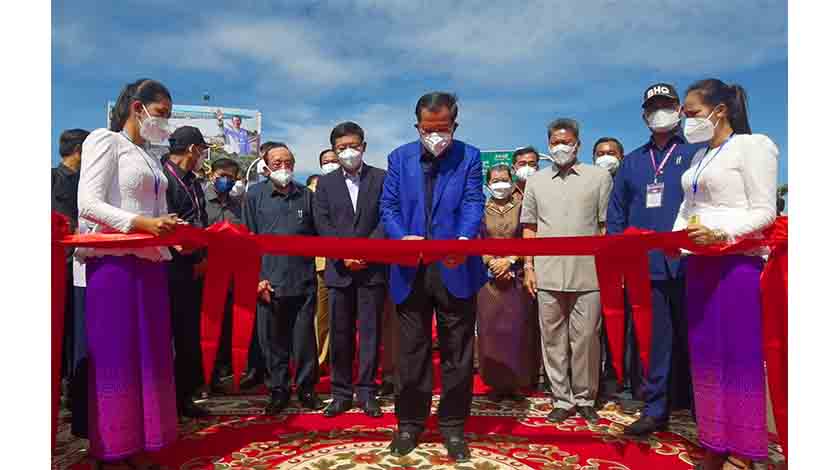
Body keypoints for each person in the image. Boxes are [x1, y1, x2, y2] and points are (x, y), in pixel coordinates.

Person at [674, 79, 778, 469]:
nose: (687, 120)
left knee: (738, 354)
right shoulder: (699, 157)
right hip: (699, 264)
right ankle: (715, 440)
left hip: (737, 263)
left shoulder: (753, 146)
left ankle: (745, 449)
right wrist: (673, 239)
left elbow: (765, 210)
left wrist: (723, 234)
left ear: (720, 111)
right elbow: (687, 209)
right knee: (706, 353)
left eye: (693, 113)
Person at [76, 78, 180, 467]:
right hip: (114, 263)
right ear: (138, 108)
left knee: (151, 354)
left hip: (150, 263)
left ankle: (145, 441)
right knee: (116, 353)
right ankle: (114, 449)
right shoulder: (105, 141)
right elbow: (88, 203)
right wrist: (141, 223)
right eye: (161, 113)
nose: (164, 122)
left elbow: (158, 214)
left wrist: (174, 233)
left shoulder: (151, 158)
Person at [380, 92, 486, 462]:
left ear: (454, 125)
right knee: (411, 351)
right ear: (417, 127)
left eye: (443, 129)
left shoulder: (470, 156)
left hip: (455, 265)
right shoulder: (399, 158)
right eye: (428, 129)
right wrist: (401, 238)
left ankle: (453, 425)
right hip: (410, 267)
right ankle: (409, 423)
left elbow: (473, 202)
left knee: (458, 351)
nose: (436, 136)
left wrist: (463, 240)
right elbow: (389, 206)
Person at [607, 83, 699, 435]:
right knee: (655, 343)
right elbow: (616, 215)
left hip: (691, 264)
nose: (660, 112)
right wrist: (618, 261)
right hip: (646, 268)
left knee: (697, 341)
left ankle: (702, 410)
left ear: (679, 110)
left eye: (666, 105)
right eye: (653, 107)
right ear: (645, 115)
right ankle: (655, 408)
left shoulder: (696, 153)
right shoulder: (632, 162)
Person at [521, 118, 613, 425]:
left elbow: (604, 226)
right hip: (547, 271)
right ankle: (561, 398)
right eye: (555, 142)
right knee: (553, 339)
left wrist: (607, 268)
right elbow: (530, 226)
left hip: (588, 273)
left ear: (578, 145)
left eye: (566, 142)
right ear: (548, 145)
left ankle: (585, 397)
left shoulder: (599, 177)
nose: (561, 147)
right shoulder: (536, 181)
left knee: (586, 338)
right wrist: (529, 266)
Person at [314, 122, 388, 418]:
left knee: (370, 334)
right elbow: (323, 223)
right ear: (334, 150)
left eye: (353, 146)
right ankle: (341, 393)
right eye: (341, 147)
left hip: (372, 270)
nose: (348, 152)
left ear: (364, 147)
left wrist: (367, 251)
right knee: (340, 334)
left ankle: (368, 392)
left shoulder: (381, 178)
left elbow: (386, 217)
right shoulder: (325, 184)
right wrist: (344, 254)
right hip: (339, 271)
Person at [244, 142, 324, 414]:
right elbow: (248, 240)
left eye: (288, 162)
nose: (283, 167)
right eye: (277, 163)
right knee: (273, 341)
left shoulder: (306, 195)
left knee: (304, 341)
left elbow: (320, 235)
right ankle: (278, 389)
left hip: (303, 280)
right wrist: (257, 278)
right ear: (266, 166)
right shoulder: (254, 195)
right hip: (269, 282)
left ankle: (306, 388)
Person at [160, 126, 211, 419]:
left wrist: (202, 255)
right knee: (165, 334)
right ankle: (163, 398)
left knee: (188, 333)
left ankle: (185, 396)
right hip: (168, 265)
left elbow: (200, 219)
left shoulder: (193, 181)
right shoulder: (161, 177)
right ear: (193, 149)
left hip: (193, 264)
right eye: (202, 150)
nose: (202, 156)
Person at [477, 164, 539, 402]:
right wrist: (492, 262)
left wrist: (510, 260)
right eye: (495, 181)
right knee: (490, 332)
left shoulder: (523, 208)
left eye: (504, 179)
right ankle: (494, 384)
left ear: (512, 182)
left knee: (517, 331)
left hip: (516, 276)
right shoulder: (481, 209)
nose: (500, 184)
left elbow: (528, 238)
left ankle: (517, 384)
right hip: (488, 279)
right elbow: (476, 239)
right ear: (488, 184)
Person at [52, 128, 91, 438]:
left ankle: (73, 396)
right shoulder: (51, 179)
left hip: (80, 268)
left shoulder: (88, 182)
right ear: (80, 150)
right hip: (55, 268)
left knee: (77, 335)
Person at [204, 157, 246, 394]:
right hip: (204, 274)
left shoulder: (239, 205)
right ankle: (200, 378)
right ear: (212, 175)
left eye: (231, 177)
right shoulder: (201, 201)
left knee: (225, 329)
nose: (226, 180)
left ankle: (218, 375)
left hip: (232, 277)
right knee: (203, 327)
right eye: (222, 175)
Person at [313, 148, 341, 371]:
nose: (330, 164)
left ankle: (341, 359)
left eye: (334, 160)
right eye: (326, 161)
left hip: (353, 260)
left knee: (344, 317)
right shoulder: (312, 191)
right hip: (322, 262)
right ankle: (321, 359)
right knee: (322, 315)